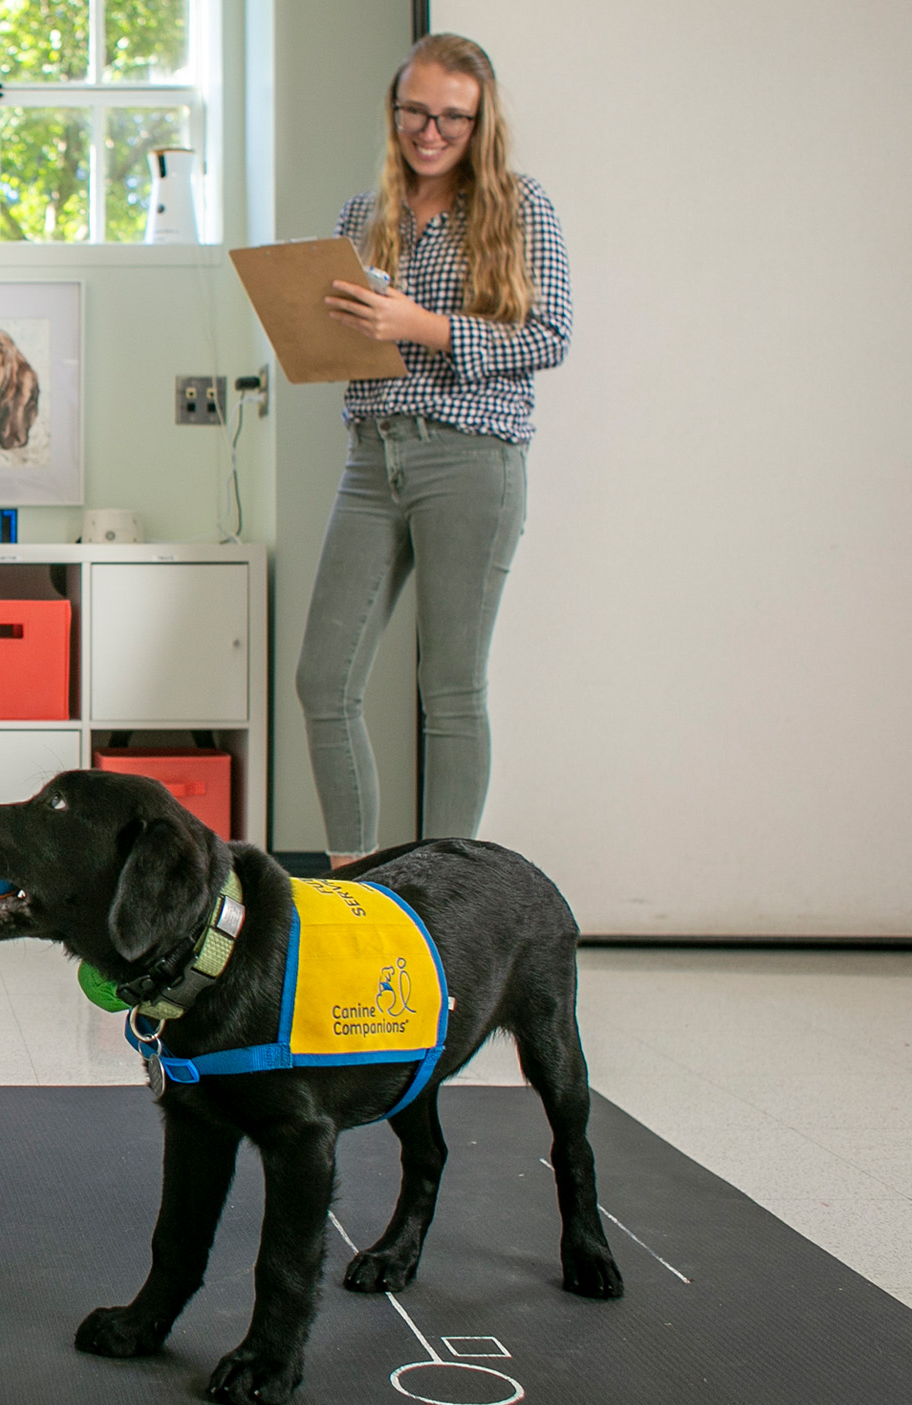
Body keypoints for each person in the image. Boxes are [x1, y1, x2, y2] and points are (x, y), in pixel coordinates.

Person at [295, 33, 569, 869]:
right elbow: (344, 341)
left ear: (480, 121)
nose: (430, 130)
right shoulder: (361, 215)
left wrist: (420, 326)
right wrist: (315, 331)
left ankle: (447, 890)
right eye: (415, 110)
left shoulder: (520, 207)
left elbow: (550, 334)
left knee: (449, 691)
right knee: (323, 679)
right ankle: (355, 878)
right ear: (395, 109)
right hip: (373, 455)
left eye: (453, 116)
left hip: (471, 459)